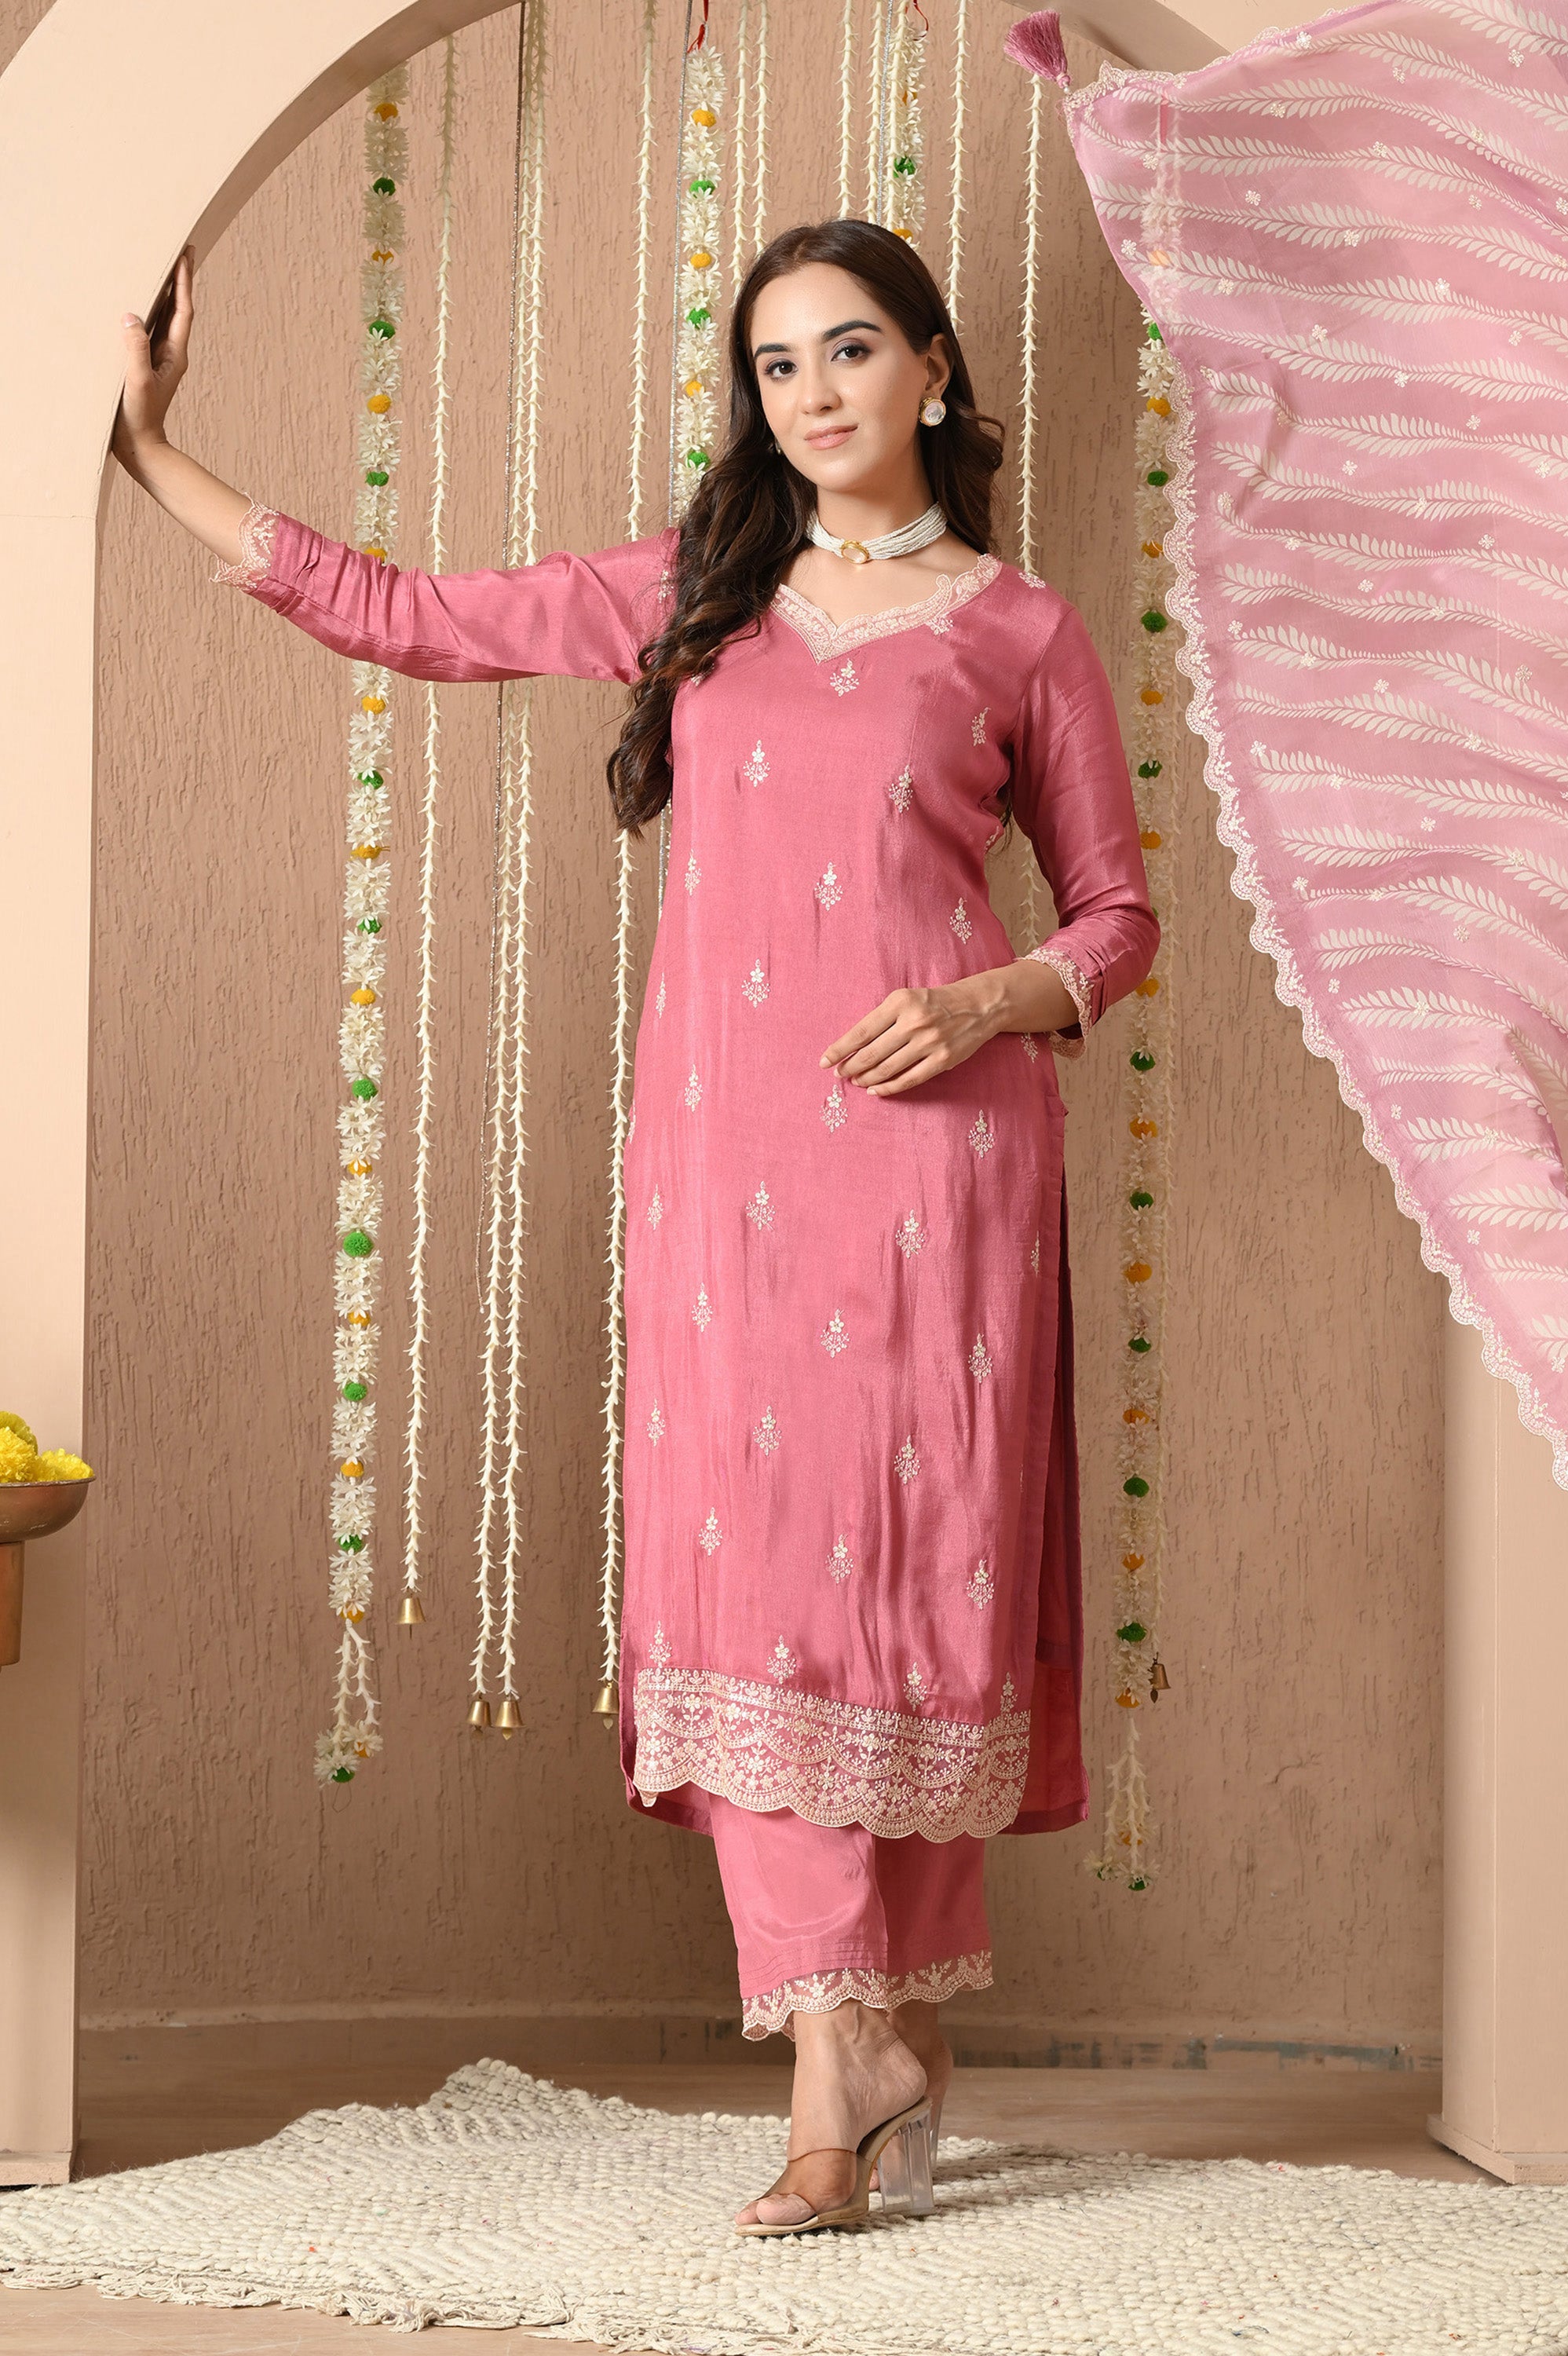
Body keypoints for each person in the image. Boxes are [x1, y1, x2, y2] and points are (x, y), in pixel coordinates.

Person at [113, 216, 1160, 2235]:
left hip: (942, 1171)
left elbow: (1119, 915)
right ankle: (843, 2042)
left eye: (850, 349)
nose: (814, 392)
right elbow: (407, 614)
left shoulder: (1021, 632)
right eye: (776, 364)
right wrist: (155, 450)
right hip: (723, 1173)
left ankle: (861, 2052)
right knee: (752, 1586)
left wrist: (989, 999)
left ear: (933, 369)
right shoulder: (704, 593)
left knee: (910, 1584)